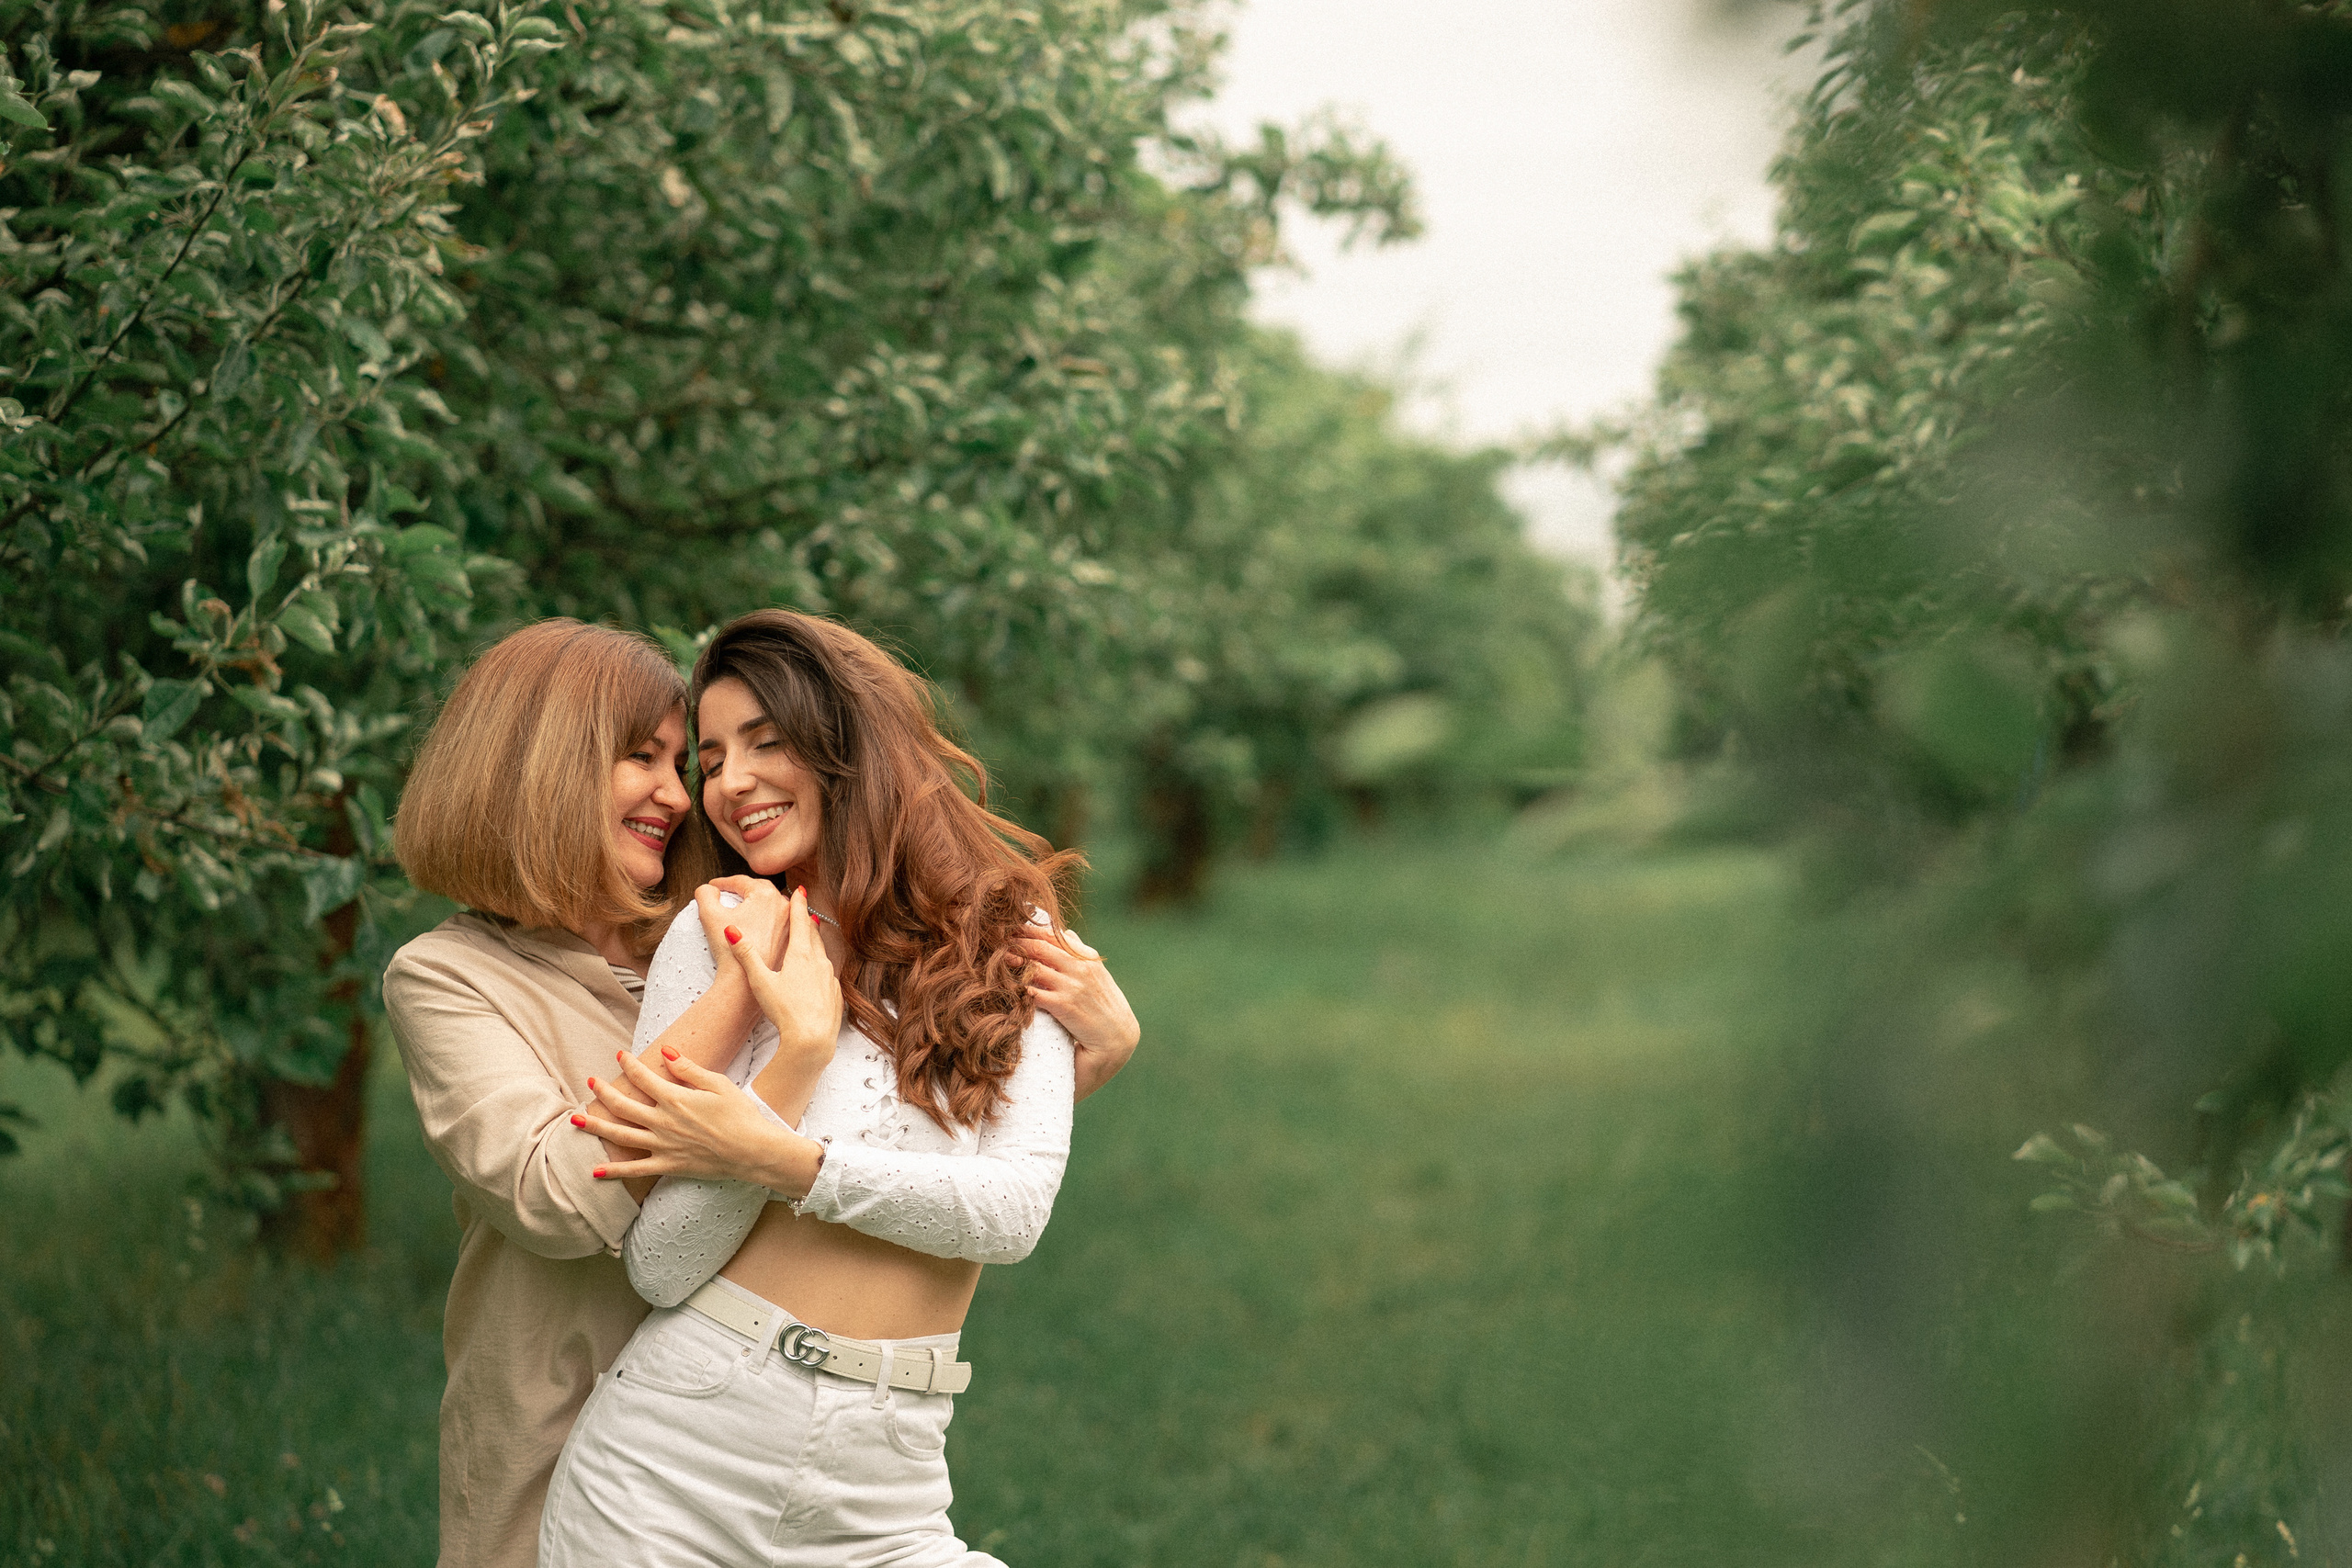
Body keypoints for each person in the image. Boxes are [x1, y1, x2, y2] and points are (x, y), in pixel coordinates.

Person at [382, 618, 1136, 1568]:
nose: (695, 790)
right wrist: (779, 1035)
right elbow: (571, 1201)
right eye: (658, 760)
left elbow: (949, 1164)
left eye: (700, 757)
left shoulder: (727, 925)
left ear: (844, 747)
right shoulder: (478, 974)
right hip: (593, 1414)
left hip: (876, 1455)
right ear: (543, 772)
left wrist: (1073, 1067)